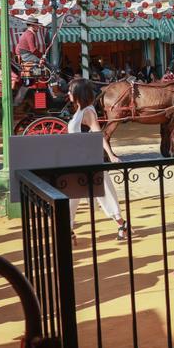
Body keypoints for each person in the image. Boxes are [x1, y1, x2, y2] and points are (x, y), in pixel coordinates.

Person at [65, 77, 129, 240]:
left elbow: (98, 134)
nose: (68, 93)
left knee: (103, 192)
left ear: (78, 93)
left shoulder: (87, 111)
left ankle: (122, 224)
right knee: (72, 197)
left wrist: (111, 155)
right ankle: (68, 229)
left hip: (87, 160)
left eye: (71, 90)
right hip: (77, 159)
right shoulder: (80, 110)